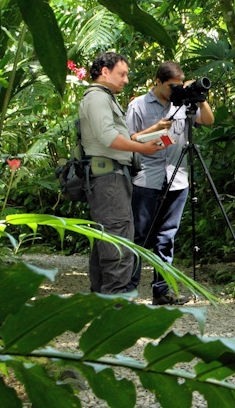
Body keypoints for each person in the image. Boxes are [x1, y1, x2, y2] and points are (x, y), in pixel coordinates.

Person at [126, 61, 214, 305]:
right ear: (157, 81)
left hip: (178, 178)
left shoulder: (184, 103)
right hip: (147, 179)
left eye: (178, 85)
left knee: (167, 237)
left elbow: (208, 120)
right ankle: (128, 291)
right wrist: (155, 128)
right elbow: (128, 138)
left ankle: (162, 292)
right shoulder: (139, 105)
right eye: (170, 86)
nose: (174, 90)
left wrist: (198, 97)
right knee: (141, 237)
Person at [79, 51, 165, 295]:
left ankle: (100, 305)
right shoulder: (97, 98)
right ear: (105, 72)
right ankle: (115, 310)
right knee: (118, 244)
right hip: (108, 180)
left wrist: (150, 134)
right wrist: (143, 148)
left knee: (106, 241)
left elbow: (116, 136)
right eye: (122, 74)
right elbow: (108, 138)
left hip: (112, 178)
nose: (126, 80)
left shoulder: (104, 97)